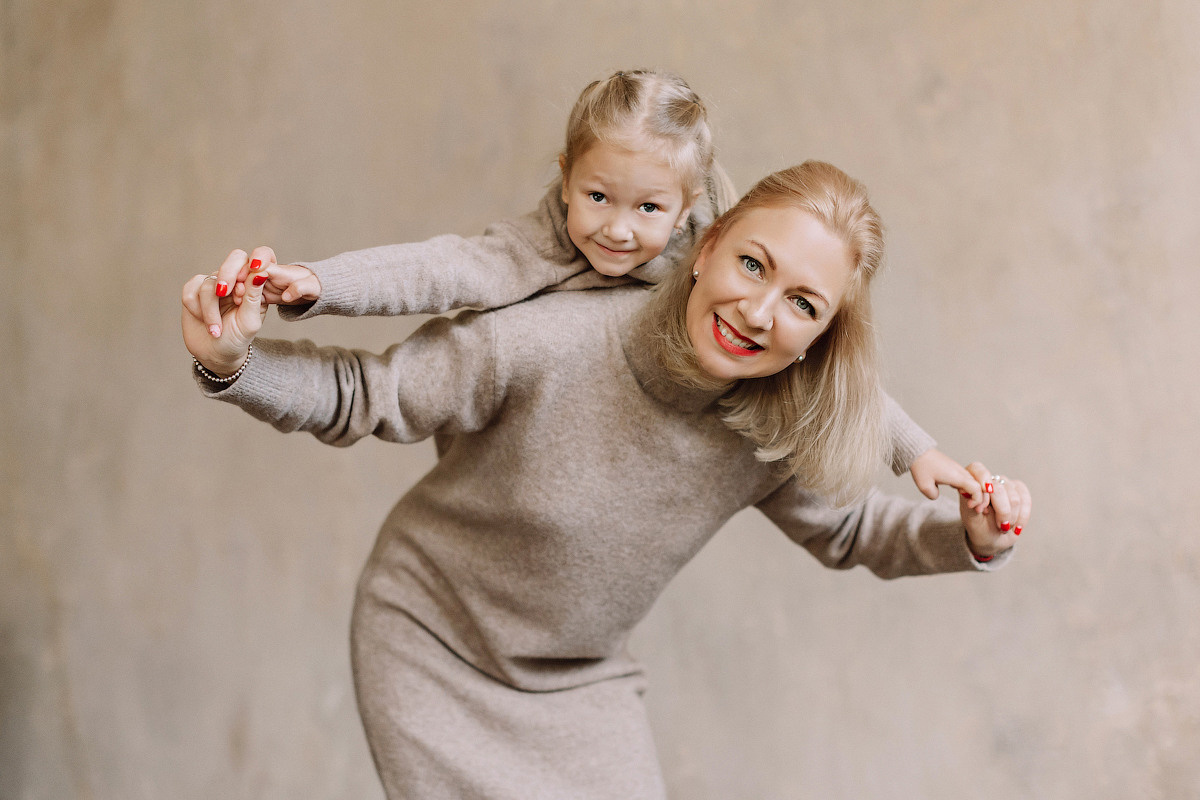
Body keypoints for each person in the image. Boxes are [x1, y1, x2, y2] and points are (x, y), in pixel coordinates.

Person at [181, 161, 1031, 798]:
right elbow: (363, 397)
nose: (761, 312)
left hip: (578, 678)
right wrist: (236, 364)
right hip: (431, 641)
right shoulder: (546, 343)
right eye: (753, 265)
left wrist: (970, 537)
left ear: (820, 338)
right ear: (707, 247)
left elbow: (848, 534)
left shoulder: (768, 430)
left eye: (804, 304)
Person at [197, 68, 983, 506]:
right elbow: (435, 269)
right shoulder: (532, 262)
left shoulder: (713, 272)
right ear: (567, 178)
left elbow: (835, 380)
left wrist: (917, 449)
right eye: (598, 198)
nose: (616, 230)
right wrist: (318, 284)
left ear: (691, 218)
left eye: (647, 209)